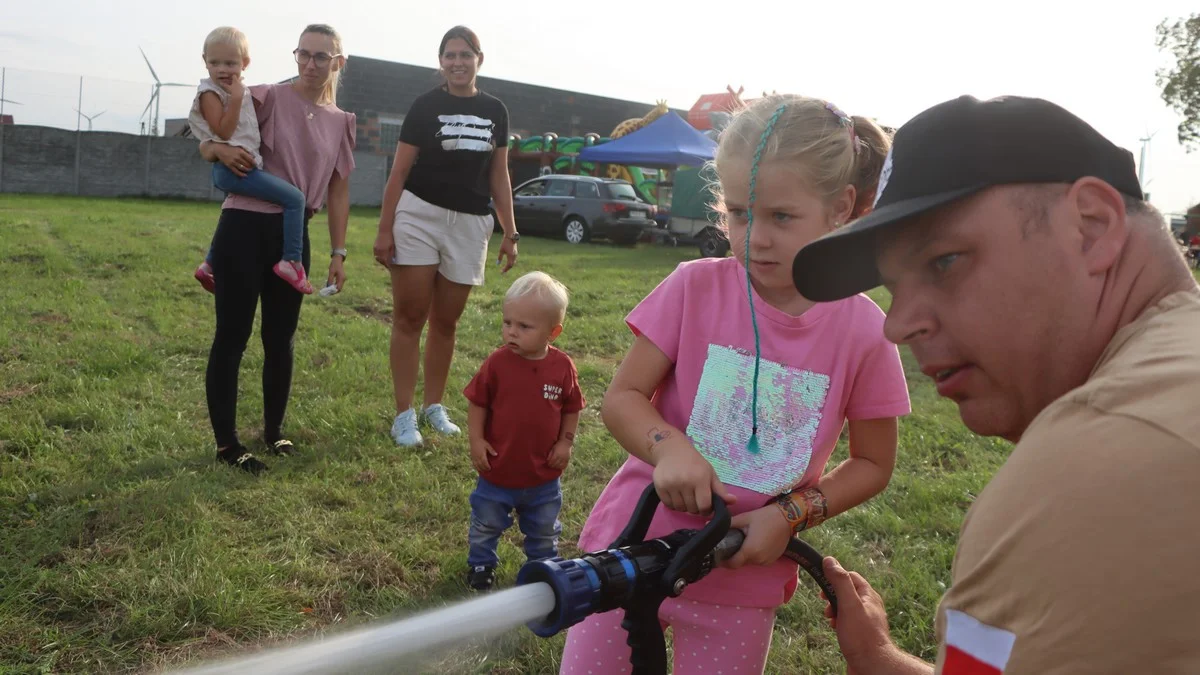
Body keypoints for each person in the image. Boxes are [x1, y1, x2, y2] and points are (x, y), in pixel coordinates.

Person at [791, 95, 1200, 674]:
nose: (897, 324)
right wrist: (879, 659)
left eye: (945, 261)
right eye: (892, 285)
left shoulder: (1098, 457)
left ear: (1092, 226)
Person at [559, 95, 912, 675]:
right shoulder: (692, 288)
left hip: (745, 579)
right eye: (739, 213)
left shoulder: (867, 331)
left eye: (781, 217)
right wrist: (668, 448)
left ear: (841, 207)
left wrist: (791, 515)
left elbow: (873, 462)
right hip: (632, 551)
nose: (755, 238)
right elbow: (622, 399)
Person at [198, 23, 356, 474]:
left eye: (320, 57)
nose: (309, 64)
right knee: (232, 336)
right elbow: (210, 122)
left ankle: (274, 432)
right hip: (243, 225)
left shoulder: (342, 122)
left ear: (337, 63)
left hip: (292, 236)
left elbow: (339, 191)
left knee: (280, 340)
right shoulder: (265, 95)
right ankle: (228, 445)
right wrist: (214, 148)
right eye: (302, 54)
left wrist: (339, 252)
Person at [372, 25, 519, 448]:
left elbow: (499, 174)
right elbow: (398, 172)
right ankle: (404, 416)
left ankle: (433, 407)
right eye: (449, 55)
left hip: (472, 224)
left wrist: (510, 231)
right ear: (441, 62)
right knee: (409, 316)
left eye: (465, 55)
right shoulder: (424, 106)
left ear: (479, 59)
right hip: (418, 216)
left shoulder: (496, 110)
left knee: (446, 322)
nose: (457, 62)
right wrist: (384, 230)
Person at [461, 271, 584, 592]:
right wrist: (476, 440)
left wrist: (565, 443)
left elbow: (572, 408)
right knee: (486, 524)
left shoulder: (562, 367)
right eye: (507, 323)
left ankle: (541, 569)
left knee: (543, 528)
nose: (511, 332)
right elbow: (478, 403)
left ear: (552, 332)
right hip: (496, 471)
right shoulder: (497, 363)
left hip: (543, 476)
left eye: (524, 327)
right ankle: (481, 564)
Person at [190, 26, 313, 296]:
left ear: (245, 63)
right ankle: (292, 261)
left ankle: (209, 265)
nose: (222, 69)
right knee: (295, 199)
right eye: (214, 62)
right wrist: (235, 99)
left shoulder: (241, 91)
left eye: (231, 63)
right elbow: (222, 132)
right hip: (230, 169)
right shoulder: (211, 93)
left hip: (237, 167)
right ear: (204, 61)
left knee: (235, 212)